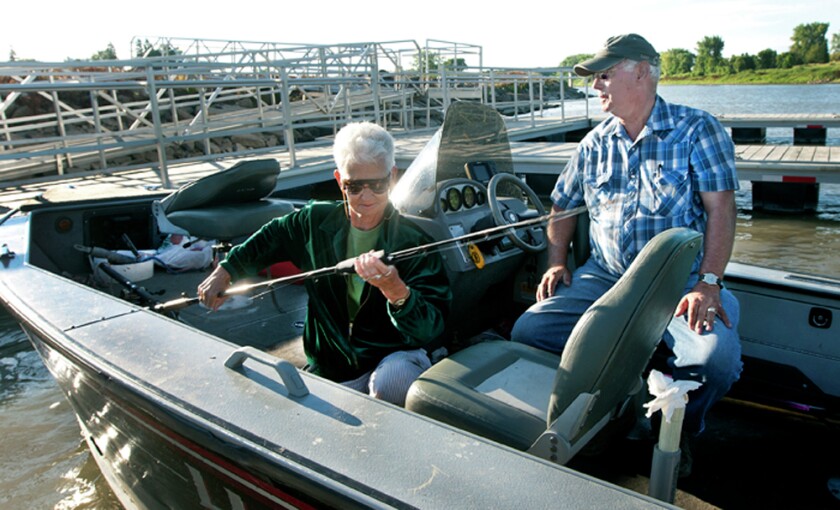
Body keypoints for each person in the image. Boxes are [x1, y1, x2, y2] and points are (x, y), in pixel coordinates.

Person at [510, 34, 742, 475]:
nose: (595, 87)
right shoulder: (593, 144)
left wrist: (708, 281)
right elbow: (562, 206)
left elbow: (721, 209)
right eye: (595, 78)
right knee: (529, 332)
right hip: (605, 278)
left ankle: (680, 429)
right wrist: (556, 261)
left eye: (604, 75)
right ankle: (612, 409)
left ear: (641, 71)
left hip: (680, 283)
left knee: (716, 361)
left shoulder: (697, 130)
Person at [198, 122, 451, 406]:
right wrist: (226, 270)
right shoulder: (312, 221)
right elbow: (271, 237)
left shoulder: (416, 241)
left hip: (392, 357)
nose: (366, 197)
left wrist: (397, 293)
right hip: (330, 364)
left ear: (392, 176)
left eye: (378, 185)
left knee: (391, 381)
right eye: (354, 186)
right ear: (338, 180)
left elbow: (432, 328)